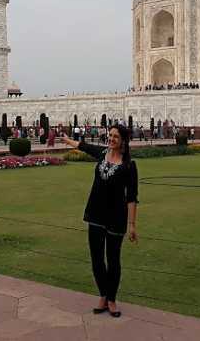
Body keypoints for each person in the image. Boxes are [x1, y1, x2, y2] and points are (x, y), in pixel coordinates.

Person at [60, 125, 138, 318]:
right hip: (95, 213)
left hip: (116, 217)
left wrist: (132, 224)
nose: (111, 139)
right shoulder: (102, 153)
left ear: (123, 141)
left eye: (115, 137)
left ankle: (111, 300)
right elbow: (84, 146)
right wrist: (67, 140)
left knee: (113, 260)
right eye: (110, 135)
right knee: (96, 259)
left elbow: (132, 197)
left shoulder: (129, 165)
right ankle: (103, 295)